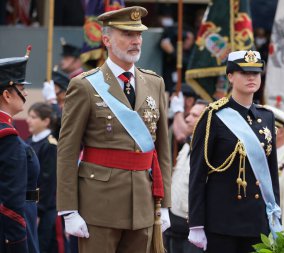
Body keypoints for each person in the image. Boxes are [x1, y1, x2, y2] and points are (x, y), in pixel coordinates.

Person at [56, 6, 171, 253]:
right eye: (127, 35)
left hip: (143, 201)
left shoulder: (154, 83)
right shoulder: (84, 86)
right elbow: (67, 150)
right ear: (106, 39)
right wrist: (69, 210)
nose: (136, 41)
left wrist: (166, 204)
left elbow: (163, 149)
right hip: (99, 203)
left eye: (138, 35)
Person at [188, 50, 281, 253]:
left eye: (256, 73)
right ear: (230, 76)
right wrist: (196, 223)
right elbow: (197, 173)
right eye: (244, 72)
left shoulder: (267, 117)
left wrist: (275, 216)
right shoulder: (213, 116)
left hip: (257, 223)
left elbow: (271, 173)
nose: (251, 77)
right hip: (222, 223)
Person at [0, 50, 40, 253]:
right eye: (21, 88)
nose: (25, 94)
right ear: (7, 94)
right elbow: (11, 203)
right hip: (13, 230)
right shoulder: (7, 138)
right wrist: (17, 244)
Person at [165, 99, 207, 253]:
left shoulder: (209, 153)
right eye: (189, 114)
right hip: (173, 223)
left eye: (194, 115)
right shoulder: (188, 144)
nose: (188, 119)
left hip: (191, 229)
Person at [26, 102, 67, 253]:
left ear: (46, 121)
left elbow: (48, 182)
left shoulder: (49, 145)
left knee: (46, 246)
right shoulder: (29, 142)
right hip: (29, 205)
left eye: (33, 117)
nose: (28, 120)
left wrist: (39, 211)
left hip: (45, 209)